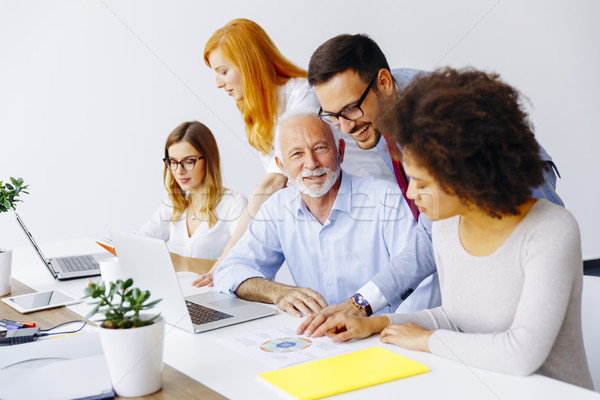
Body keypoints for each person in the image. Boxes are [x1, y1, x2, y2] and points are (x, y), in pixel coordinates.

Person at [314, 68, 593, 390]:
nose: (410, 193)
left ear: (464, 176)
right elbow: (456, 318)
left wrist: (428, 340)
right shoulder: (445, 227)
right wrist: (376, 322)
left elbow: (521, 354)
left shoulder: (552, 230)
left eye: (421, 182)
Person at [297, 34, 564, 336]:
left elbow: (431, 231)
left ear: (383, 82)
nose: (345, 127)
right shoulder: (380, 110)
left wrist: (363, 303)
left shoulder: (429, 120)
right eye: (332, 116)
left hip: (521, 197)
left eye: (349, 110)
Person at [195, 20, 392, 287]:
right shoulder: (259, 112)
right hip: (325, 205)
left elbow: (274, 182)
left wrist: (224, 258)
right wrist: (228, 264)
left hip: (365, 203)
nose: (218, 83)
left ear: (248, 65)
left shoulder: (302, 96)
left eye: (223, 71)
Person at [213, 109, 425, 317]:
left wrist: (383, 331)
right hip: (318, 341)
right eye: (297, 154)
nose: (311, 164)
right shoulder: (278, 207)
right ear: (281, 166)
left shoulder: (387, 200)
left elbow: (421, 284)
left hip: (383, 337)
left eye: (320, 148)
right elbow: (229, 270)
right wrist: (279, 293)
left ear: (341, 151)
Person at [137, 121, 247, 274]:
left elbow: (243, 264)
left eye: (188, 162)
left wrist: (183, 263)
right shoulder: (174, 203)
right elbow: (139, 242)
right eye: (173, 162)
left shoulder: (233, 204)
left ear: (208, 160)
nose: (179, 171)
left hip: (214, 294)